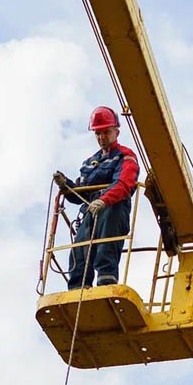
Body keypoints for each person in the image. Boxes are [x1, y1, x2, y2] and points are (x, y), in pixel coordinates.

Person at [53, 106, 140, 289]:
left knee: (106, 246)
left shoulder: (125, 156)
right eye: (98, 133)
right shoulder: (90, 163)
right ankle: (77, 288)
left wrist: (104, 200)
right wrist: (66, 185)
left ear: (116, 131)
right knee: (80, 250)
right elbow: (80, 193)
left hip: (113, 210)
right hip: (91, 211)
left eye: (106, 132)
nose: (101, 137)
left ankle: (105, 283)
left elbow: (124, 183)